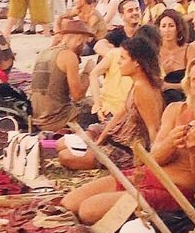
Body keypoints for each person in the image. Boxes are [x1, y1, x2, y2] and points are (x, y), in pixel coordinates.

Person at [62, 53, 195, 223]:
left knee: (88, 210)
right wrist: (171, 142)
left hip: (176, 190)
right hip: (146, 175)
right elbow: (153, 159)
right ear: (189, 83)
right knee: (69, 203)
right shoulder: (175, 109)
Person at [57, 36, 163, 170]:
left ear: (137, 62)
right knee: (61, 145)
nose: (118, 62)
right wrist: (101, 139)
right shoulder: (137, 84)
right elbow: (119, 114)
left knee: (65, 156)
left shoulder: (144, 88)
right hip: (116, 135)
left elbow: (153, 128)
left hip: (126, 149)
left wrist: (154, 163)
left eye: (123, 58)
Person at [31, 20, 94, 131]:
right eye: (84, 42)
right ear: (79, 39)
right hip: (58, 120)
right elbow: (78, 96)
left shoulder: (44, 52)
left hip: (38, 117)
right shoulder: (69, 56)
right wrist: (88, 72)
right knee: (99, 109)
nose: (84, 46)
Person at [157, 9, 189, 105]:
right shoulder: (155, 51)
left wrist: (169, 86)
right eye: (163, 26)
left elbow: (192, 82)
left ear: (178, 28)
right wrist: (163, 71)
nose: (167, 30)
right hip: (162, 97)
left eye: (171, 26)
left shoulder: (188, 49)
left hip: (185, 95)